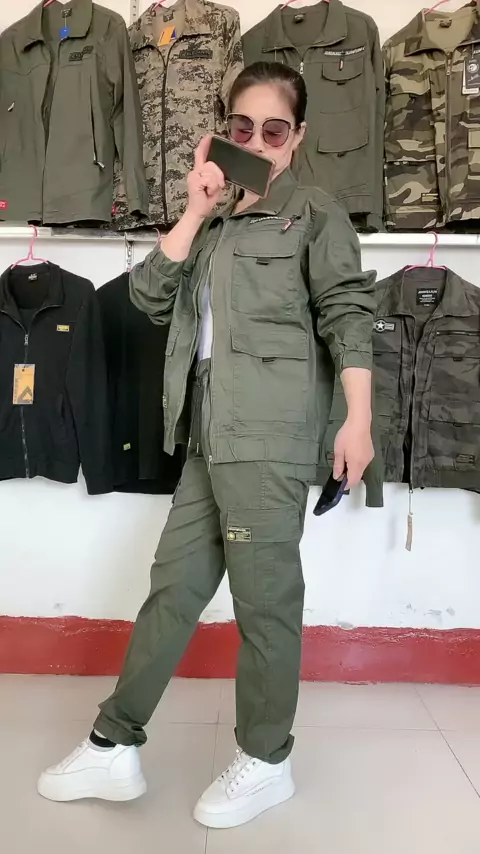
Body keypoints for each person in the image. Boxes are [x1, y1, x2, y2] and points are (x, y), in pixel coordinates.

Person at [38, 62, 376, 829]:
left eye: (273, 130)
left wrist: (357, 420)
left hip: (269, 437)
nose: (256, 142)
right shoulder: (216, 222)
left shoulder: (313, 214)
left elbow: (348, 315)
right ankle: (113, 745)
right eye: (242, 127)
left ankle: (267, 758)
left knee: (265, 605)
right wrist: (195, 208)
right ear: (225, 130)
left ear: (297, 137)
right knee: (173, 592)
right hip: (207, 437)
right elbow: (148, 297)